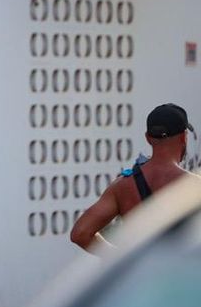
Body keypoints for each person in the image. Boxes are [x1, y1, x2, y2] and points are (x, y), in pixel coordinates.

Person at [71, 103, 200, 251]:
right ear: (184, 137)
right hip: (183, 272)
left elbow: (80, 233)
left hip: (144, 273)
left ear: (147, 138)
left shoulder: (123, 186)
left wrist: (118, 257)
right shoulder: (195, 186)